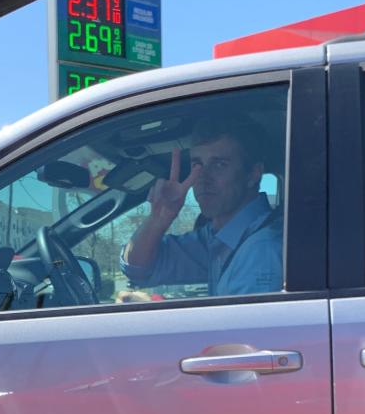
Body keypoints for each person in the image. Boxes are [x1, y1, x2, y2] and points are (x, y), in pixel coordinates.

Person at [121, 118, 282, 296]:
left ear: (253, 174)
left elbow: (245, 324)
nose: (203, 178)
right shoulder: (217, 239)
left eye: (219, 165)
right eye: (197, 165)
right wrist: (158, 219)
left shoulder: (262, 249)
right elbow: (137, 269)